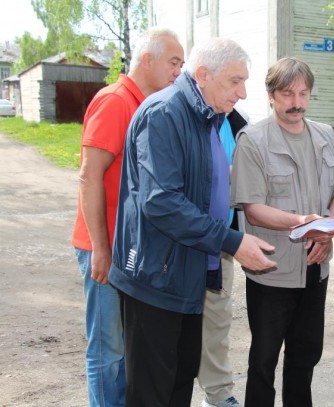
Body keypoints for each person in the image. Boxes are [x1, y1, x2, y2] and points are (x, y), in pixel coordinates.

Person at [108, 37, 277, 407]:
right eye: (235, 81)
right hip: (155, 277)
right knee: (153, 393)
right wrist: (231, 242)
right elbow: (162, 202)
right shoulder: (165, 113)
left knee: (180, 382)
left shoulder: (205, 116)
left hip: (186, 274)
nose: (243, 92)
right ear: (202, 74)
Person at [230, 57, 334, 407]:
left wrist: (326, 230)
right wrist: (304, 223)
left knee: (305, 356)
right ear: (271, 96)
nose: (296, 102)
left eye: (303, 93)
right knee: (264, 360)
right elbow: (252, 208)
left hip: (316, 268)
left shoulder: (326, 136)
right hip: (271, 270)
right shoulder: (253, 141)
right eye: (287, 94)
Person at [71, 28, 184, 407]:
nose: (178, 72)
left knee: (127, 349)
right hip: (104, 248)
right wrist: (101, 249)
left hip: (129, 250)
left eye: (182, 64)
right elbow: (89, 175)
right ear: (146, 60)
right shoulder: (116, 101)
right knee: (108, 351)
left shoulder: (147, 104)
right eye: (174, 62)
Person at [197, 108, 249, 407]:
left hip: (222, 242)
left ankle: (217, 395)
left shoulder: (236, 122)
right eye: (234, 81)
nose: (240, 91)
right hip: (185, 240)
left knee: (217, 321)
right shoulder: (184, 114)